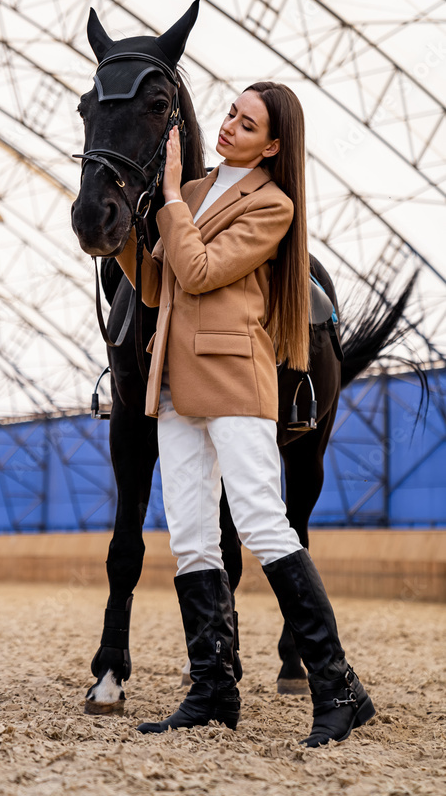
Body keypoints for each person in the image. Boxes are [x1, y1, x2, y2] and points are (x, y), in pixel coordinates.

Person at [115, 81, 375, 746]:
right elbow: (158, 282)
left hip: (234, 380)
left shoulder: (272, 206)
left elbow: (199, 271)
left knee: (262, 523)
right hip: (174, 385)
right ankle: (211, 690)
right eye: (229, 113)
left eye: (247, 123)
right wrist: (116, 230)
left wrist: (169, 198)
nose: (229, 127)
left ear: (274, 144)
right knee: (194, 539)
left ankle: (338, 686)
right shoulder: (196, 193)